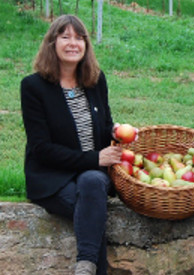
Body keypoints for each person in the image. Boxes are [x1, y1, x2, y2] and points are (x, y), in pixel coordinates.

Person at [20, 15, 134, 275]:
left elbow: (105, 128)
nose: (73, 43)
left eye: (79, 37)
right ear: (52, 43)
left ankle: (84, 268)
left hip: (91, 176)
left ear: (86, 44)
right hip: (53, 177)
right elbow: (41, 149)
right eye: (65, 37)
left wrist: (118, 132)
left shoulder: (95, 80)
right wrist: (94, 159)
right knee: (92, 213)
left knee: (92, 182)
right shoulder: (33, 87)